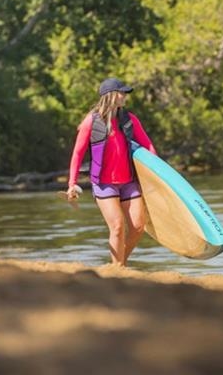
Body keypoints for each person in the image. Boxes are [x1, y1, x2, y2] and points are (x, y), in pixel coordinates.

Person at [65, 77, 157, 267]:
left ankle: (119, 263)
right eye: (121, 93)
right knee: (117, 226)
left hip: (129, 181)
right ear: (111, 96)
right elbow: (77, 153)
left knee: (139, 226)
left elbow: (147, 145)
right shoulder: (92, 121)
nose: (124, 96)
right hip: (104, 183)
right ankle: (118, 269)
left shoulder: (129, 119)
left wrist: (156, 171)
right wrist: (71, 183)